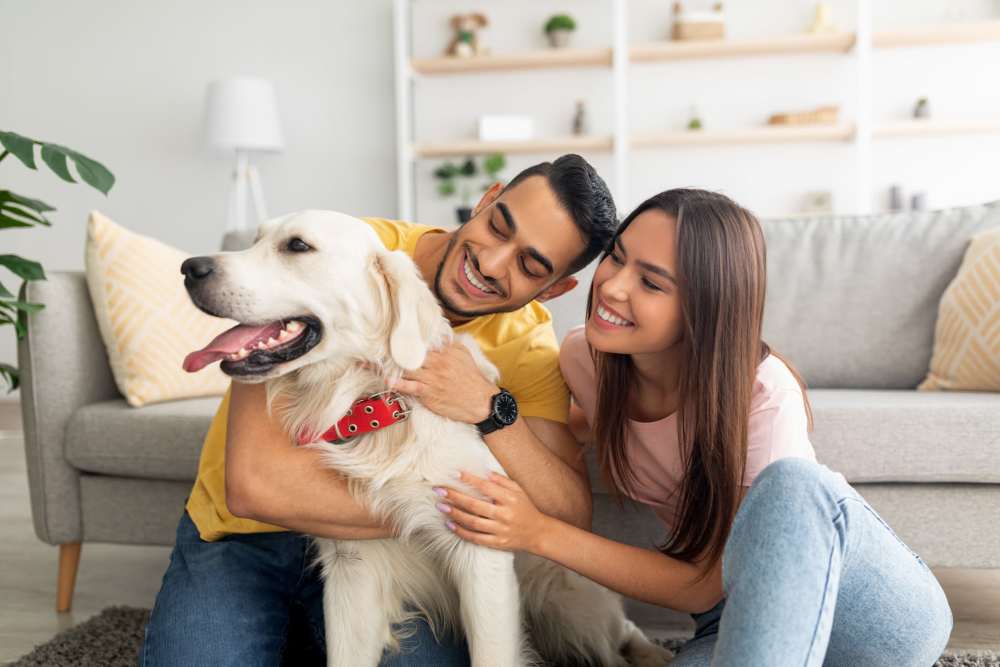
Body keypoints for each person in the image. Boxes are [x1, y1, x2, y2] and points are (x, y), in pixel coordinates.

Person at [437, 188, 954, 666]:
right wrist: (478, 403)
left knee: (794, 485)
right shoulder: (586, 359)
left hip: (863, 621)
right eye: (616, 257)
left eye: (651, 282)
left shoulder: (763, 392)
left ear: (704, 308)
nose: (611, 287)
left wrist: (539, 532)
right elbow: (552, 435)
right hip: (728, 625)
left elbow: (704, 583)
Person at [140, 154, 618, 666]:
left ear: (553, 289)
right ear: (486, 199)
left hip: (396, 554)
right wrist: (456, 513)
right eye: (499, 225)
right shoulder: (344, 247)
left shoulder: (526, 342)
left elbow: (565, 513)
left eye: (530, 265)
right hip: (246, 535)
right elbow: (254, 488)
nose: (492, 262)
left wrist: (489, 407)